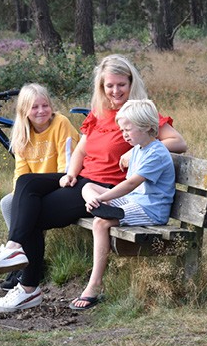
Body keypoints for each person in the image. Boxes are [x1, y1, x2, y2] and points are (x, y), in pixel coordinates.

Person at [0, 54, 187, 313]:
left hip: (106, 188)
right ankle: (13, 250)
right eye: (109, 85)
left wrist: (134, 152)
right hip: (83, 180)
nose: (115, 90)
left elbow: (178, 143)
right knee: (27, 182)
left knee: (33, 214)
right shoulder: (99, 114)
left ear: (131, 83)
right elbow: (81, 151)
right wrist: (71, 173)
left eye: (121, 84)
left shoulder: (139, 115)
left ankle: (29, 288)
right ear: (102, 87)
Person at [69, 99, 175, 310]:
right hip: (135, 201)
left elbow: (131, 184)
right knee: (87, 187)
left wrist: (103, 199)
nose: (124, 134)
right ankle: (103, 207)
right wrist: (97, 196)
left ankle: (95, 284)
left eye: (128, 129)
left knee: (100, 223)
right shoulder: (138, 149)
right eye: (122, 129)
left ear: (146, 127)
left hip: (150, 210)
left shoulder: (156, 153)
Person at [0, 83, 80, 291]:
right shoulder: (22, 134)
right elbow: (20, 173)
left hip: (65, 181)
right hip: (35, 189)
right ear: (24, 111)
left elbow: (68, 166)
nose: (41, 111)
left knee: (26, 187)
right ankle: (23, 261)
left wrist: (31, 196)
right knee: (8, 202)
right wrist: (23, 200)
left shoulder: (61, 124)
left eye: (45, 105)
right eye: (34, 107)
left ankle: (17, 256)